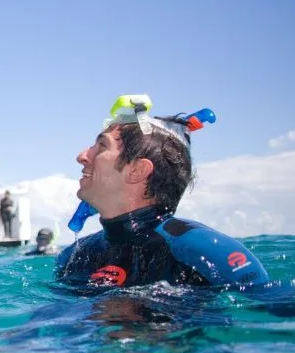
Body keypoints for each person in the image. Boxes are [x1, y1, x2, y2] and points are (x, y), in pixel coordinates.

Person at [55, 96, 269, 288]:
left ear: (137, 170)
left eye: (101, 146)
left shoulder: (206, 253)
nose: (82, 156)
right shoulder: (77, 256)